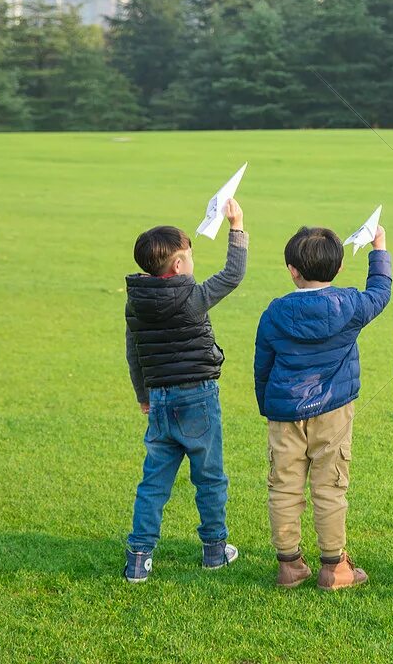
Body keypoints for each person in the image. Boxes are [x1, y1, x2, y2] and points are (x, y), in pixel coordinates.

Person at [254, 223, 392, 590]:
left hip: (284, 410)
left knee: (283, 487)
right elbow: (381, 291)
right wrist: (378, 248)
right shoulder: (350, 305)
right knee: (330, 487)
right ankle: (334, 567)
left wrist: (267, 405)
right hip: (333, 410)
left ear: (292, 270)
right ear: (339, 268)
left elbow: (262, 364)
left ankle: (290, 565)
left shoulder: (275, 312)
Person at [122, 198, 246, 584]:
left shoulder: (136, 302)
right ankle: (214, 551)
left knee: (153, 482)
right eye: (189, 258)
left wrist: (143, 394)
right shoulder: (192, 297)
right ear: (178, 266)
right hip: (198, 398)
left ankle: (139, 559)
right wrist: (236, 225)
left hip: (158, 400)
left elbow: (134, 352)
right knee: (209, 477)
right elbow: (233, 273)